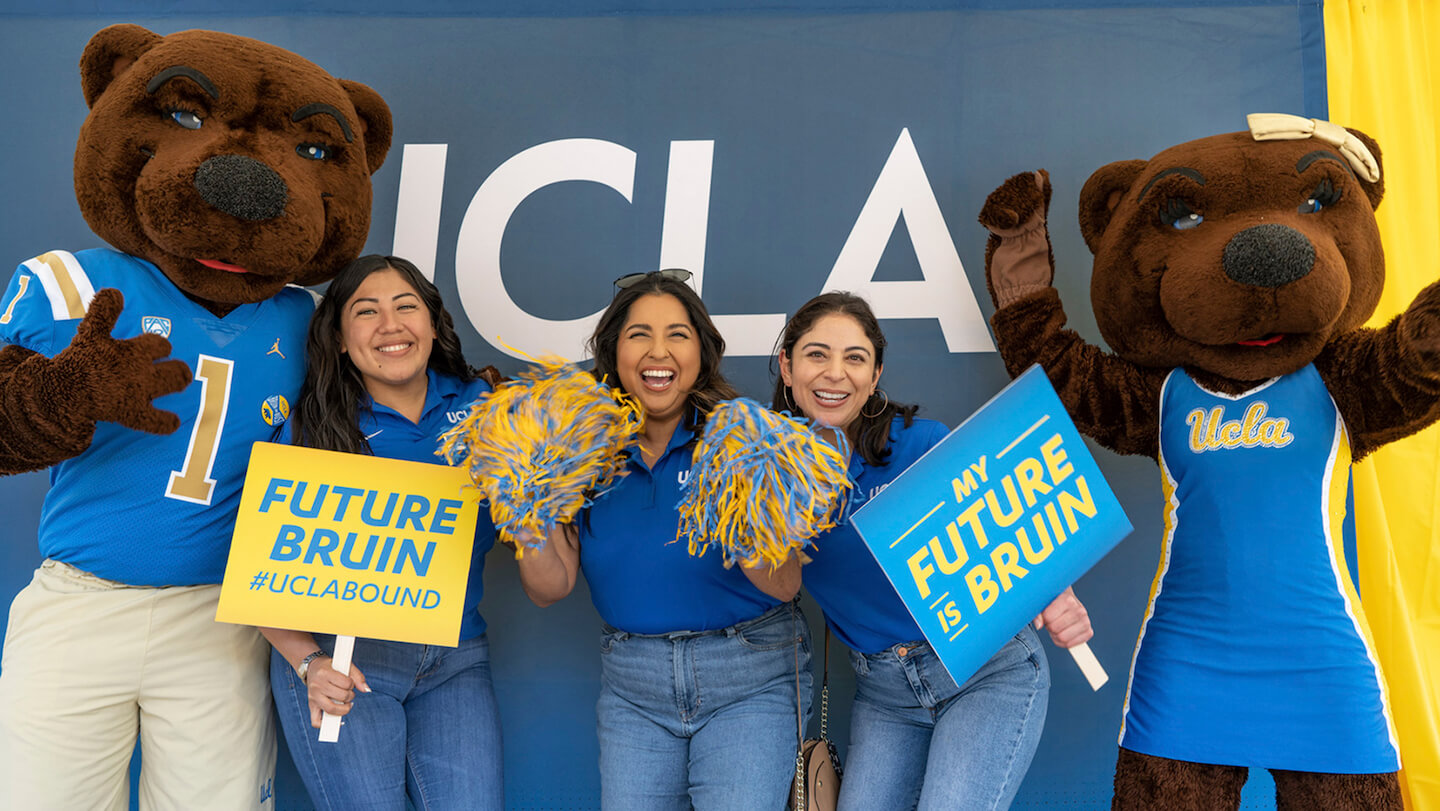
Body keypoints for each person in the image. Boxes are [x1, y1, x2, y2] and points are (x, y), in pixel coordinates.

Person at [773, 291, 1093, 811]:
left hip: (984, 670)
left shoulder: (919, 444)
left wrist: (1054, 591)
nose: (834, 373)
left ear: (874, 376)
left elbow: (1011, 518)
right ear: (788, 368)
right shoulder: (767, 470)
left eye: (854, 358)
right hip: (885, 695)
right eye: (816, 354)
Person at [516, 269, 810, 810]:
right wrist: (524, 505)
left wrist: (742, 505)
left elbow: (786, 583)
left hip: (749, 678)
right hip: (634, 691)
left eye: (678, 334)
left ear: (702, 350)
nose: (659, 351)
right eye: (638, 335)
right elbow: (548, 587)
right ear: (614, 352)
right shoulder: (582, 453)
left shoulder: (743, 436)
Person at [260, 255, 503, 810]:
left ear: (434, 325)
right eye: (366, 312)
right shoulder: (310, 427)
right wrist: (307, 663)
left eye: (406, 307)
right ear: (341, 339)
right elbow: (255, 567)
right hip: (344, 660)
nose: (390, 325)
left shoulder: (488, 409)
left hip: (456, 657)